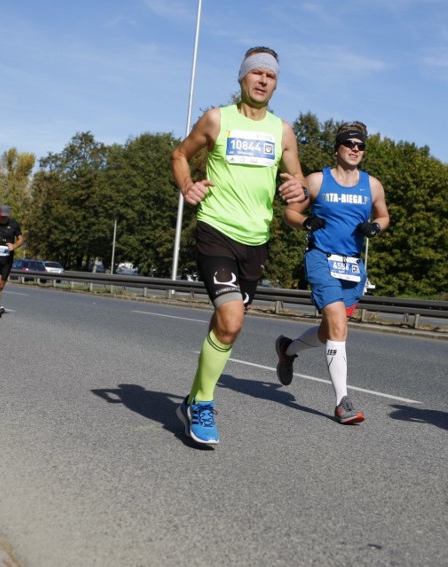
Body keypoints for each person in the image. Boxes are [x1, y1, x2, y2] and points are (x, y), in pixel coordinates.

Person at [170, 46, 306, 444]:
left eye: (272, 76)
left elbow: (297, 191)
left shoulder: (283, 131)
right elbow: (180, 155)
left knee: (225, 326)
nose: (263, 80)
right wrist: (187, 186)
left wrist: (299, 192)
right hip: (216, 230)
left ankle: (192, 400)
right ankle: (204, 405)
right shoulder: (217, 119)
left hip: (256, 242)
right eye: (256, 73)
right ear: (242, 78)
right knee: (231, 321)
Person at [274, 122, 390, 424]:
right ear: (337, 147)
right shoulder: (316, 181)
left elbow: (384, 214)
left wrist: (375, 226)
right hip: (321, 259)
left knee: (330, 333)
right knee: (338, 323)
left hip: (352, 267)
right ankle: (343, 403)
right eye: (349, 143)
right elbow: (290, 212)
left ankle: (287, 349)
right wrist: (306, 222)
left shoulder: (372, 185)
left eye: (360, 145)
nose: (355, 148)